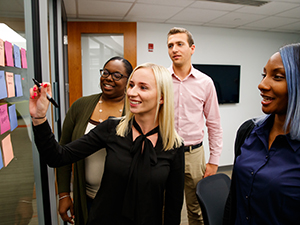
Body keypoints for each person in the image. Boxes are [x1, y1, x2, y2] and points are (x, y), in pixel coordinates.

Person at [29, 63, 185, 225]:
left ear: (161, 97)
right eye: (131, 85)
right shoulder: (112, 129)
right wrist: (39, 118)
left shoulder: (173, 146)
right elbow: (58, 157)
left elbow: (173, 208)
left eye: (143, 87)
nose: (131, 92)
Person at [223, 43, 300, 225]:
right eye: (264, 75)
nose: (262, 84)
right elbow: (234, 199)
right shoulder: (248, 131)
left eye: (278, 77)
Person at [56, 56, 132, 224]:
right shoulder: (80, 106)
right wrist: (63, 194)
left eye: (117, 75)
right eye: (105, 72)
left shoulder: (134, 110)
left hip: (124, 201)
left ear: (128, 81)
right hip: (87, 197)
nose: (108, 78)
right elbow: (64, 150)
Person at [167, 27, 223, 225]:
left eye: (180, 44)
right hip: (164, 152)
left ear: (192, 48)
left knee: (196, 209)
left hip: (194, 154)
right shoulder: (161, 80)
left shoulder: (205, 82)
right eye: (170, 45)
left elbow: (214, 123)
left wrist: (214, 160)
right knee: (166, 207)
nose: (174, 49)